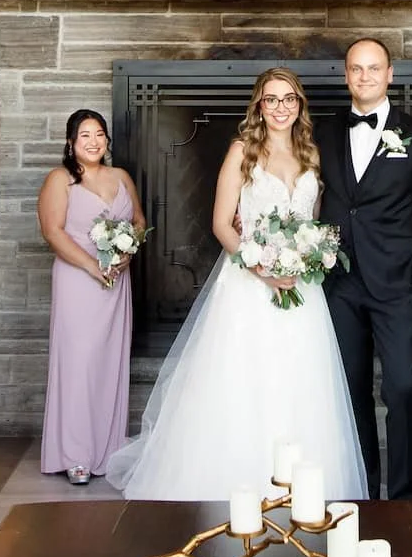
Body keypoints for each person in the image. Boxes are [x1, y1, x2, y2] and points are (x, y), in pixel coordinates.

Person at [108, 68, 367, 501]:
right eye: (272, 99)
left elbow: (313, 221)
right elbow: (220, 225)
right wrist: (263, 268)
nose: (281, 108)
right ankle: (245, 483)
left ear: (299, 105)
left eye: (289, 99)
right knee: (249, 382)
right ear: (259, 106)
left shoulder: (311, 155)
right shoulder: (243, 150)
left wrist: (305, 256)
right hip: (250, 286)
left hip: (301, 288)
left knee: (302, 382)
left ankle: (300, 484)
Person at [320, 36, 412, 500]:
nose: (365, 76)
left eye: (374, 68)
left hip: (399, 285)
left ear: (390, 74)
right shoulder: (324, 130)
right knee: (350, 392)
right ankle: (362, 489)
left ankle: (403, 497)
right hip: (341, 284)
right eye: (356, 68)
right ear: (346, 75)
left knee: (401, 389)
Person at [37, 108, 138, 486]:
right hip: (79, 280)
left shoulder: (121, 177)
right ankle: (75, 454)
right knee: (77, 365)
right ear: (71, 143)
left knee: (110, 363)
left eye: (99, 135)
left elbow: (138, 222)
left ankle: (108, 449)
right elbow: (53, 231)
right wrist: (92, 266)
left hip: (116, 282)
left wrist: (127, 252)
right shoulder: (60, 180)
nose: (94, 142)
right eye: (85, 136)